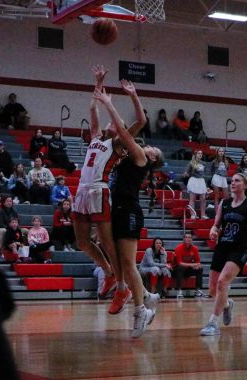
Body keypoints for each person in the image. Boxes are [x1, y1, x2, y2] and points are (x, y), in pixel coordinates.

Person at [72, 65, 145, 315]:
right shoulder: (95, 138)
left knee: (106, 241)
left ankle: (122, 287)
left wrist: (130, 96)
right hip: (82, 191)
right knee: (82, 242)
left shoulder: (117, 144)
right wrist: (98, 83)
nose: (112, 124)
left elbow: (141, 121)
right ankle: (108, 273)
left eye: (116, 123)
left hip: (100, 191)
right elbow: (92, 107)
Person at [93, 85, 163, 338]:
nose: (150, 147)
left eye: (154, 150)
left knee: (128, 262)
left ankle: (141, 309)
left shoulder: (141, 159)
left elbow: (128, 127)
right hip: (117, 208)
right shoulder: (125, 156)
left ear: (153, 159)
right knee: (118, 258)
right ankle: (145, 295)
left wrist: (115, 101)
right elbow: (118, 132)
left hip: (129, 210)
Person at [200, 173, 247, 336]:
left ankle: (213, 324)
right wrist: (213, 231)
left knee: (222, 282)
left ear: (246, 185)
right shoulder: (224, 203)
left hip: (239, 249)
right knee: (213, 290)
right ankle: (227, 304)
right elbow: (216, 225)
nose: (232, 183)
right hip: (222, 247)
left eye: (237, 180)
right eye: (232, 180)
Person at [173, 233, 203, 298]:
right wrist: (192, 265)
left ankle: (198, 290)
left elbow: (198, 262)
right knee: (180, 267)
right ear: (183, 239)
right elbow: (179, 263)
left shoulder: (195, 248)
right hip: (176, 270)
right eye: (186, 237)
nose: (188, 239)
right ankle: (179, 291)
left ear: (192, 239)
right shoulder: (178, 248)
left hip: (187, 270)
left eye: (190, 237)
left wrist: (198, 265)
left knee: (200, 268)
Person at [184, 150, 208, 219]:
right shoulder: (191, 163)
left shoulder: (204, 163)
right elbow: (186, 172)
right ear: (195, 154)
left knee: (203, 199)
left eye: (201, 153)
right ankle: (193, 215)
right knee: (192, 199)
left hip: (201, 181)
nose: (200, 154)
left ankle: (203, 215)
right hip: (194, 180)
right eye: (199, 153)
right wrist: (186, 174)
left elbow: (204, 174)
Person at [210, 148, 230, 215]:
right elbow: (211, 170)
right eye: (220, 151)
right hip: (216, 177)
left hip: (223, 178)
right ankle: (217, 213)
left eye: (222, 151)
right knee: (217, 196)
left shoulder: (226, 161)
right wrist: (214, 177)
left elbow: (227, 169)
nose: (221, 152)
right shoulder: (214, 161)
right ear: (217, 152)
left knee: (226, 197)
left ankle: (225, 211)